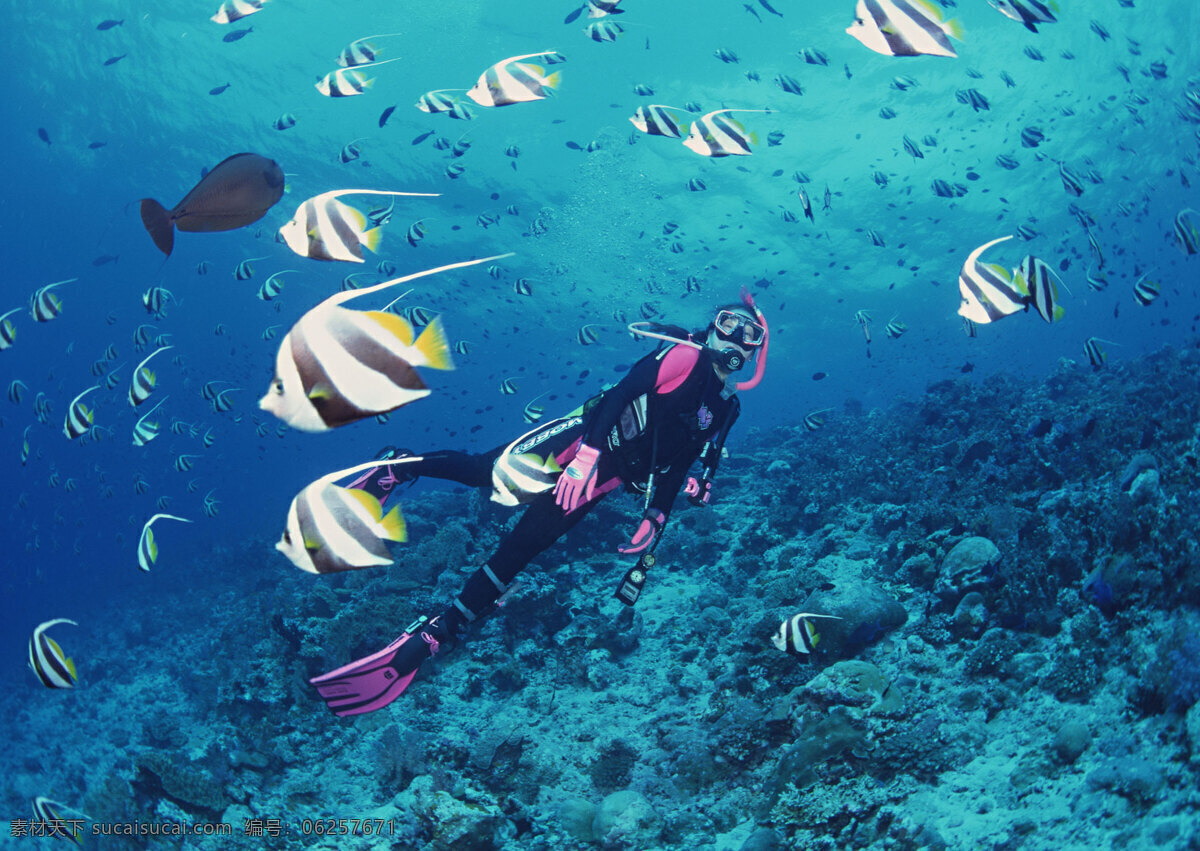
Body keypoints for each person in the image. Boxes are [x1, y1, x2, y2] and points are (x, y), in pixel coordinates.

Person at [309, 291, 770, 716]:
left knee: (524, 549)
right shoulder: (684, 357)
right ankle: (400, 466)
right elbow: (620, 396)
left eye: (751, 335)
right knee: (487, 475)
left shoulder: (727, 408)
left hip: (604, 481)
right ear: (713, 325)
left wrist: (657, 514)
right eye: (731, 324)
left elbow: (680, 462)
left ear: (755, 352)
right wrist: (585, 457)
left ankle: (439, 632)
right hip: (579, 442)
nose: (737, 338)